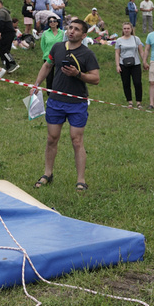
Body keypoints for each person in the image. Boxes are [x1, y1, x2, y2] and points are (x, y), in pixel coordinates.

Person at [32, 19, 100, 193]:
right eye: (70, 28)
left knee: (76, 141)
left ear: (84, 35)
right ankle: (48, 173)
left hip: (77, 103)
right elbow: (47, 65)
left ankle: (81, 180)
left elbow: (95, 79)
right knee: (51, 138)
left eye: (77, 29)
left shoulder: (87, 54)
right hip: (56, 100)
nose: (72, 31)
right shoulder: (58, 48)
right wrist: (37, 83)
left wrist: (79, 75)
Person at [114, 22, 144, 108]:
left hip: (136, 64)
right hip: (123, 64)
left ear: (131, 29)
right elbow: (117, 53)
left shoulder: (136, 39)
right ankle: (130, 101)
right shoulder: (119, 40)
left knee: (137, 82)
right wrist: (117, 65)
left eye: (128, 28)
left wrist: (144, 61)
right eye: (125, 28)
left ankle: (138, 101)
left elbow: (141, 51)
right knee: (126, 83)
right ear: (122, 30)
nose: (126, 30)